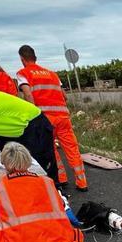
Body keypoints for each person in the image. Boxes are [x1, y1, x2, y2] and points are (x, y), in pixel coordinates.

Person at [16, 45, 88, 191]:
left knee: (50, 149)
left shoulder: (23, 73)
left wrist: (33, 115)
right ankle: (82, 183)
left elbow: (28, 94)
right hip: (62, 117)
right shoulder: (52, 74)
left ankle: (61, 179)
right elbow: (64, 96)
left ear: (22, 59)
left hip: (45, 119)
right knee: (72, 148)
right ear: (35, 57)